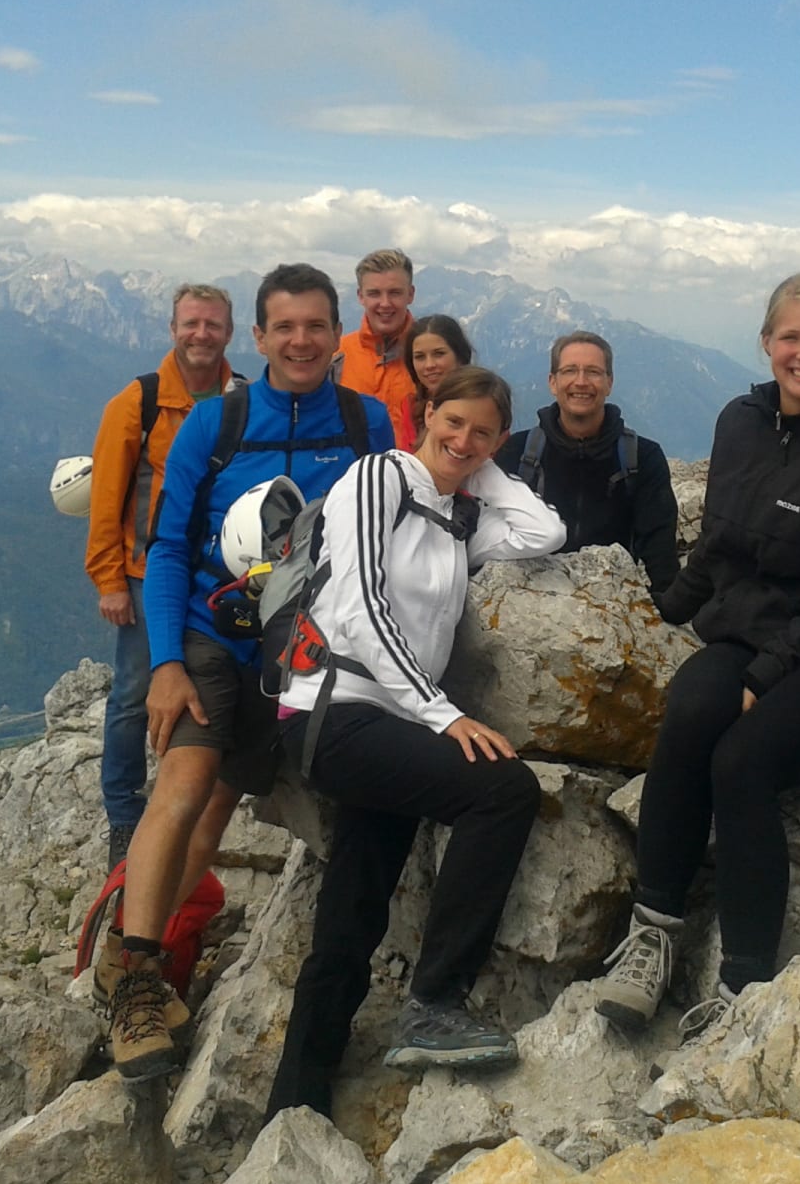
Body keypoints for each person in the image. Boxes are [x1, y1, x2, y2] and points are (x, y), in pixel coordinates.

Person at [592, 272, 800, 1035]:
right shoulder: (741, 421)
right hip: (747, 632)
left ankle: (744, 982)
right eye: (791, 337)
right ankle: (654, 933)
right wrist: (665, 610)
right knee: (690, 711)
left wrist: (766, 676)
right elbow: (719, 541)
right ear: (767, 342)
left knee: (742, 760)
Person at [108, 263, 395, 1081]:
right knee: (186, 780)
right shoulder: (215, 421)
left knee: (220, 805)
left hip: (305, 647)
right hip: (215, 632)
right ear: (260, 338)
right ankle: (136, 981)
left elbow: (392, 527)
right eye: (285, 327)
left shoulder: (367, 421)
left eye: (316, 326)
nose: (301, 341)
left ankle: (130, 954)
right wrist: (167, 663)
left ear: (336, 336)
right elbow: (168, 546)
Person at [264, 367, 565, 1120]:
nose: (464, 439)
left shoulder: (457, 517)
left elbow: (544, 532)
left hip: (386, 723)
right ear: (425, 413)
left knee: (354, 912)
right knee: (503, 790)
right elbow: (361, 603)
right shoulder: (378, 477)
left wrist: (476, 466)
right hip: (335, 711)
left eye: (483, 431)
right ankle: (435, 1002)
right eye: (452, 421)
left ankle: (296, 1104)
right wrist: (442, 715)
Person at [84, 283, 241, 868]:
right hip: (148, 572)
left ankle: (201, 795)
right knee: (133, 693)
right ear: (173, 329)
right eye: (191, 323)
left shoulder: (244, 399)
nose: (201, 334)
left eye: (212, 324)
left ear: (229, 333)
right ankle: (124, 816)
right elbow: (106, 498)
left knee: (219, 681)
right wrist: (109, 580)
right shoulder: (138, 402)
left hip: (221, 572)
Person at [494, 330, 680, 594]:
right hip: (530, 598)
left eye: (593, 372)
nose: (581, 382)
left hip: (612, 599)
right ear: (553, 382)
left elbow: (659, 549)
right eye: (570, 371)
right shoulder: (517, 452)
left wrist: (665, 609)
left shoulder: (642, 457)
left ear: (609, 383)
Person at [336, 248, 421, 448]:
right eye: (374, 293)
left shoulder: (431, 356)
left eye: (395, 293)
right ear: (360, 296)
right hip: (350, 466)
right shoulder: (336, 356)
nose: (385, 303)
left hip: (416, 467)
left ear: (410, 294)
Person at [394, 313, 474, 445]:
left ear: (460, 356)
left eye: (439, 354)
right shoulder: (412, 408)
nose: (429, 365)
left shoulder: (481, 405)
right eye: (420, 357)